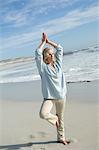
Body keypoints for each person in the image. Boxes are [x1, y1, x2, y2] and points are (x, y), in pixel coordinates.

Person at [35, 33, 69, 145]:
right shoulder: (43, 68)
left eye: (53, 54)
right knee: (43, 114)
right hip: (49, 98)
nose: (53, 55)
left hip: (61, 97)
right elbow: (37, 53)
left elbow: (60, 48)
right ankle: (55, 120)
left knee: (61, 118)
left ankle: (61, 138)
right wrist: (43, 43)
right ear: (46, 57)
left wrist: (49, 42)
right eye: (50, 54)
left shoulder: (58, 64)